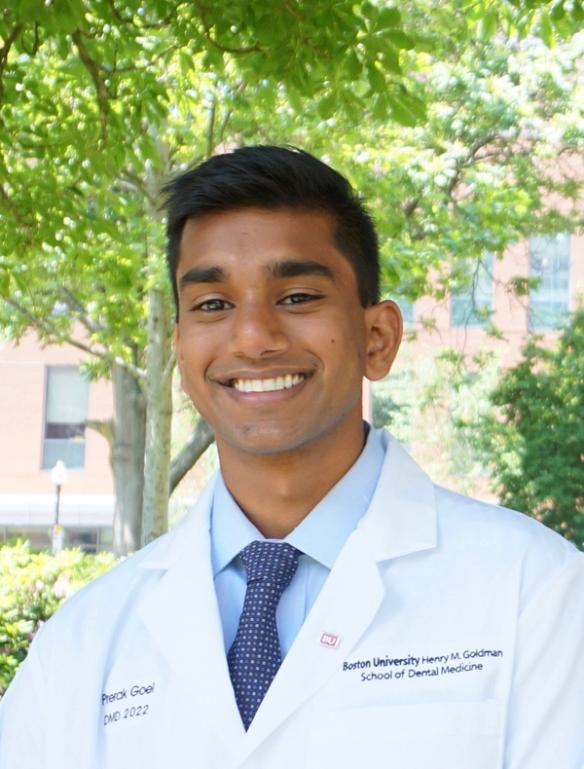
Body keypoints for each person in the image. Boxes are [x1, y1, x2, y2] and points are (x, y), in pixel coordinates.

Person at [0, 146, 583, 769]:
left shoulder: (538, 595)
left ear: (378, 338)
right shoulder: (86, 639)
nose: (252, 338)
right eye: (213, 305)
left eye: (298, 297)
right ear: (181, 350)